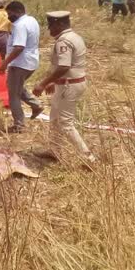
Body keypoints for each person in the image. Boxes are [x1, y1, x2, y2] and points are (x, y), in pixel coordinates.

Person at [32, 11, 94, 164]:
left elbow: (64, 67)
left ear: (60, 24)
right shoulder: (74, 36)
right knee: (54, 117)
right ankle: (54, 150)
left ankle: (89, 158)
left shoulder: (64, 41)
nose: (49, 29)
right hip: (69, 83)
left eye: (51, 25)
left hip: (69, 86)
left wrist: (43, 83)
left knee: (66, 123)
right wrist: (54, 81)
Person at [0, 1, 42, 133]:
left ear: (17, 11)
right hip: (31, 61)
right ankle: (35, 104)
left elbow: (19, 47)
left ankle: (19, 125)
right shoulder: (31, 20)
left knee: (13, 95)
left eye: (9, 13)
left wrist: (4, 63)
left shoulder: (19, 25)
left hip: (20, 63)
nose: (8, 16)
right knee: (15, 86)